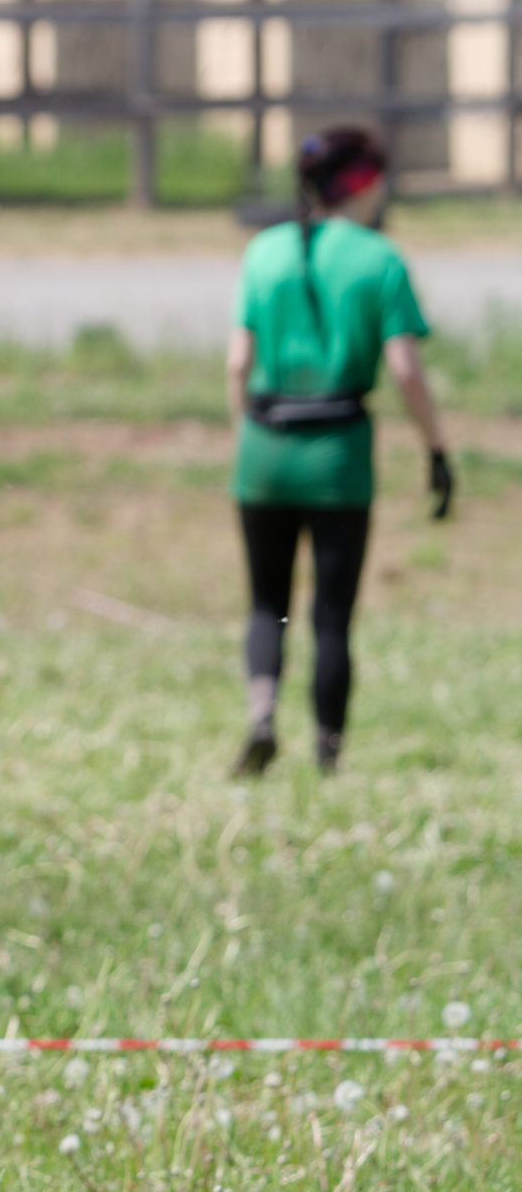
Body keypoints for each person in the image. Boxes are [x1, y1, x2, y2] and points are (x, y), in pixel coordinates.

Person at [226, 126, 450, 778]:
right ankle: (329, 754)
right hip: (338, 457)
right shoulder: (379, 258)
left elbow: (238, 361)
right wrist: (436, 449)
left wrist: (247, 435)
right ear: (363, 185)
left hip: (263, 449)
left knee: (267, 602)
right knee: (330, 615)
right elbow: (405, 369)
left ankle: (262, 713)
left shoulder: (262, 252)